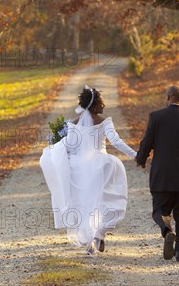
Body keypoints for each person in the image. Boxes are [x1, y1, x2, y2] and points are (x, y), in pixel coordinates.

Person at [40, 85, 137, 256]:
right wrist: (136, 155)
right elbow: (116, 142)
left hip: (78, 168)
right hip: (102, 165)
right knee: (108, 202)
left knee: (84, 206)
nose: (104, 105)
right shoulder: (105, 122)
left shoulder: (72, 124)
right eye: (101, 102)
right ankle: (98, 235)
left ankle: (91, 240)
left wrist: (57, 152)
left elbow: (69, 147)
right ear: (93, 105)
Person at [135, 85, 179, 262]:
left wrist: (141, 159)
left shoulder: (156, 117)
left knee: (159, 210)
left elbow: (147, 142)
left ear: (168, 97)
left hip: (162, 174)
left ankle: (167, 231)